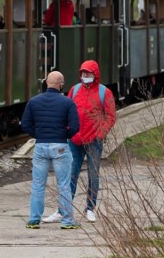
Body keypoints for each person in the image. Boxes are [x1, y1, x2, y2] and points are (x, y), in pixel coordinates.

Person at [43, 60, 116, 224]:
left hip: (94, 141)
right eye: (82, 73)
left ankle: (90, 208)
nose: (84, 76)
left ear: (95, 74)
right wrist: (67, 130)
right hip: (75, 140)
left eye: (88, 73)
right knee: (70, 175)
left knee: (93, 175)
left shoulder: (105, 93)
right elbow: (66, 110)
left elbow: (111, 117)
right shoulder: (75, 90)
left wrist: (100, 133)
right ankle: (63, 210)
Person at [21, 71, 81, 230]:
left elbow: (25, 125)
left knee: (38, 185)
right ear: (61, 84)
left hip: (41, 146)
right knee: (64, 185)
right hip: (60, 146)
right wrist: (63, 135)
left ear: (47, 83)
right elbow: (75, 126)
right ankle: (67, 221)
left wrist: (39, 135)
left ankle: (34, 220)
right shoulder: (67, 102)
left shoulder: (34, 102)